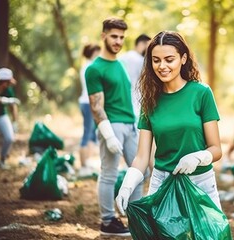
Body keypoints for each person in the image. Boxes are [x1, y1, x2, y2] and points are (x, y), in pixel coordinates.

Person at [115, 31, 223, 220]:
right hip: (162, 183)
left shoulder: (201, 93)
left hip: (200, 183)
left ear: (183, 59)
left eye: (169, 59)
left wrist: (198, 157)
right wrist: (127, 184)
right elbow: (142, 156)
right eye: (156, 60)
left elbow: (216, 149)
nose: (162, 66)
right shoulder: (150, 101)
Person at [85, 18, 142, 236]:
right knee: (109, 173)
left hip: (130, 124)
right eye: (113, 36)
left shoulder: (120, 64)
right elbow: (96, 107)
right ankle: (107, 221)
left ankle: (135, 218)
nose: (118, 41)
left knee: (139, 172)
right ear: (103, 36)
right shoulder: (95, 69)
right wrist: (108, 135)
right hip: (112, 125)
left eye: (121, 37)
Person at [78, 43, 100, 177]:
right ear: (92, 53)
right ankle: (83, 166)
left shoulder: (89, 65)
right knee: (87, 133)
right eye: (97, 52)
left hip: (88, 102)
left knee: (92, 133)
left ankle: (87, 162)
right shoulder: (89, 66)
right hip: (88, 103)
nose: (99, 54)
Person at [119, 34, 151, 121]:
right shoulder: (141, 60)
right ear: (142, 44)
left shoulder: (122, 58)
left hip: (121, 100)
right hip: (136, 101)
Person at [0, 68, 20, 169]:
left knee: (9, 138)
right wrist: (4, 100)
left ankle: (2, 161)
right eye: (7, 82)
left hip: (1, 115)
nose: (8, 85)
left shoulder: (8, 90)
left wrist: (14, 122)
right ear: (3, 81)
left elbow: (13, 106)